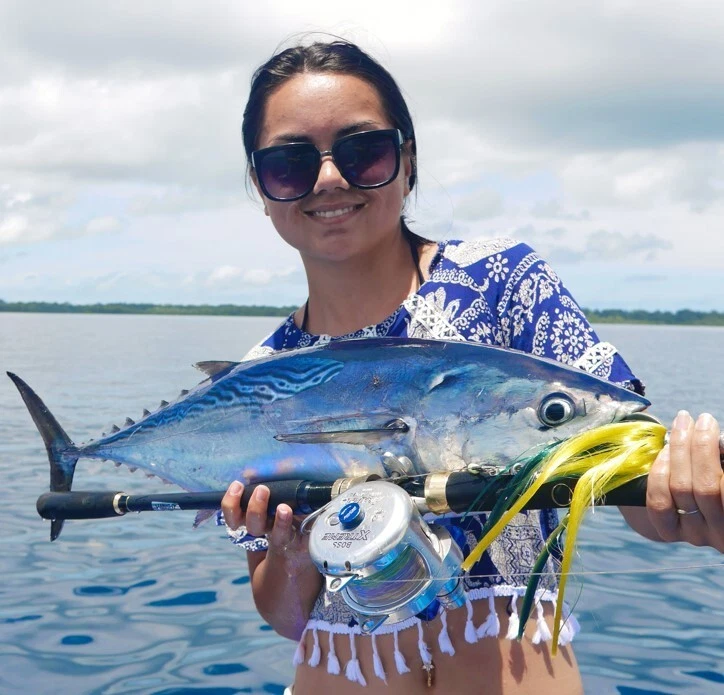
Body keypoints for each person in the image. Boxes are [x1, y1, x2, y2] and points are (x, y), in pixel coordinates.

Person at [220, 40, 723, 695]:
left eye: (363, 151)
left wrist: (687, 496)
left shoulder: (501, 281)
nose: (330, 179)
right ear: (261, 187)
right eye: (289, 163)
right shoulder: (256, 378)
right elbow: (287, 616)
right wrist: (289, 550)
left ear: (407, 161)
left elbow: (626, 469)